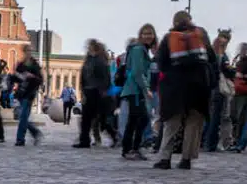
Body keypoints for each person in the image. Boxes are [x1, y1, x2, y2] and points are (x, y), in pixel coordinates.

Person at [151, 10, 214, 169]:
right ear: (191, 21)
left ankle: (165, 158)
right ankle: (186, 159)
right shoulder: (201, 36)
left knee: (171, 123)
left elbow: (162, 63)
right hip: (199, 86)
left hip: (175, 87)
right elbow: (212, 60)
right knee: (194, 122)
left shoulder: (169, 38)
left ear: (174, 23)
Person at [120, 24, 157, 160]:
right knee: (141, 119)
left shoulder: (142, 50)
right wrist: (146, 89)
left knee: (135, 119)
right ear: (140, 35)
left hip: (134, 89)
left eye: (150, 33)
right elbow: (137, 72)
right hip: (135, 90)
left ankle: (130, 149)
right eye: (145, 33)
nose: (148, 36)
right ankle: (131, 148)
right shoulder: (138, 50)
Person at [201, 29, 234, 154]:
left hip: (213, 87)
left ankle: (207, 141)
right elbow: (221, 69)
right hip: (217, 88)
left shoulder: (214, 53)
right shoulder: (218, 54)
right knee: (215, 117)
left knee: (212, 117)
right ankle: (211, 143)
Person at [75, 39, 111, 148]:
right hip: (88, 91)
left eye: (89, 45)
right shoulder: (88, 60)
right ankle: (84, 141)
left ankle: (114, 136)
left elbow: (106, 78)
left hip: (97, 93)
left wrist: (103, 91)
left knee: (101, 120)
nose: (87, 47)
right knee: (86, 119)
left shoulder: (100, 60)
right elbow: (83, 77)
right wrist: (82, 90)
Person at [224, 42, 247, 152]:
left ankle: (238, 139)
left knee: (239, 117)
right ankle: (238, 139)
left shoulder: (246, 62)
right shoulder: (241, 61)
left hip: (243, 92)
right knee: (237, 116)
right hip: (240, 92)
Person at [11, 50, 44, 146]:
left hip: (29, 94)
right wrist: (15, 76)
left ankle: (20, 139)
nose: (27, 54)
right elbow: (15, 78)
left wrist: (32, 76)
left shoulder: (35, 65)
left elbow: (40, 80)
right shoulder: (20, 65)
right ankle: (35, 132)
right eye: (25, 52)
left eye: (28, 52)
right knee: (23, 117)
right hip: (21, 93)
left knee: (23, 117)